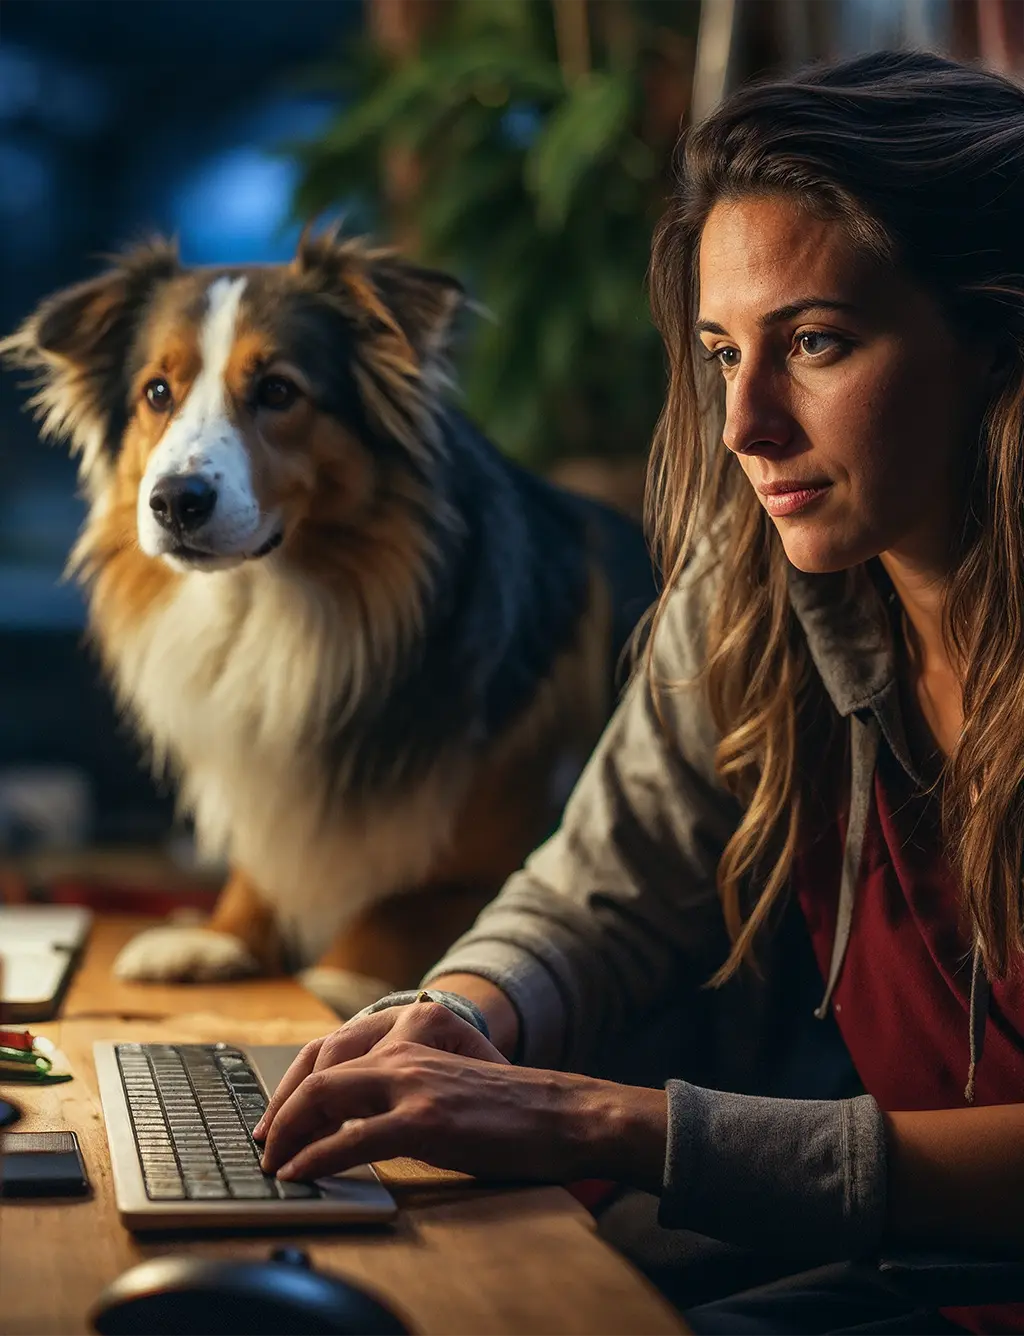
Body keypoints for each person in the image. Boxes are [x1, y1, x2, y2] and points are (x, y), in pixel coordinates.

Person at [254, 50, 1024, 1334]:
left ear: (998, 338)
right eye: (724, 352)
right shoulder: (763, 587)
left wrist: (608, 1121)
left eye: (816, 343)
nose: (745, 425)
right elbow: (605, 886)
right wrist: (454, 1018)